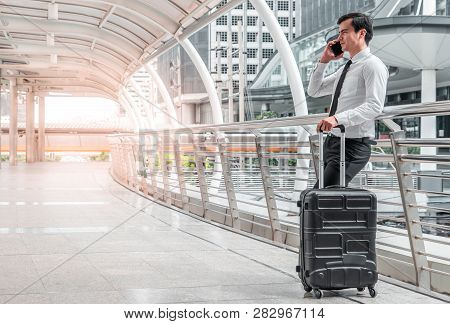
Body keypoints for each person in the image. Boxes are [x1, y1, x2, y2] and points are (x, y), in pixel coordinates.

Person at [307, 12, 389, 188]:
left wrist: (336, 119)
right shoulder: (347, 68)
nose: (339, 38)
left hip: (353, 146)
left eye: (344, 32)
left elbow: (374, 106)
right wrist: (324, 61)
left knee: (320, 200)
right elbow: (314, 90)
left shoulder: (373, 65)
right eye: (339, 33)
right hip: (334, 142)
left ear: (361, 33)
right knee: (323, 200)